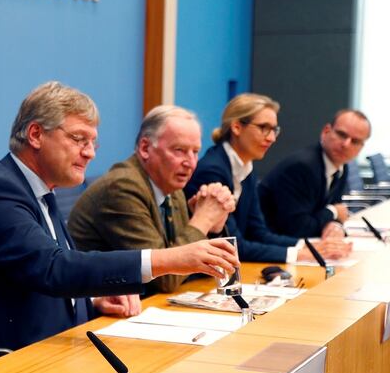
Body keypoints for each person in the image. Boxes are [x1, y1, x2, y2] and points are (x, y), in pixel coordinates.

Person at [0, 82, 239, 373]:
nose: (90, 152)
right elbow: (54, 268)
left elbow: (36, 274)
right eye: (79, 139)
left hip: (44, 352)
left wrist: (93, 301)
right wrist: (170, 259)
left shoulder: (39, 191)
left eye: (93, 142)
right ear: (36, 134)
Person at [69, 106, 235, 296]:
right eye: (179, 150)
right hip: (101, 307)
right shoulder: (122, 187)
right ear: (145, 148)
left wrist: (213, 226)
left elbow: (192, 269)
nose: (190, 163)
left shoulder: (171, 186)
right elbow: (166, 278)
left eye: (195, 151)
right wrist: (203, 219)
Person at [185, 93, 350, 263]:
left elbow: (258, 233)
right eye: (264, 128)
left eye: (274, 130)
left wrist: (309, 246)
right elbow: (232, 245)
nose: (271, 138)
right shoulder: (213, 170)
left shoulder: (246, 168)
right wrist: (300, 254)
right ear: (237, 127)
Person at [259, 110, 371, 238]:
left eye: (355, 141)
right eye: (341, 135)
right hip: (272, 243)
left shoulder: (341, 167)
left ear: (361, 147)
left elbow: (334, 212)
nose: (346, 145)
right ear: (326, 131)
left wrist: (335, 225)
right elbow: (299, 228)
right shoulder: (302, 167)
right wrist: (333, 212)